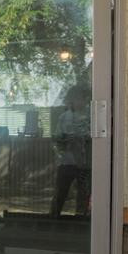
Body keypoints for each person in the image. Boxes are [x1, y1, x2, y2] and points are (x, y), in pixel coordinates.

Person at [51, 83, 92, 217]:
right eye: (74, 99)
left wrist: (85, 139)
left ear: (86, 99)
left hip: (85, 163)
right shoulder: (64, 117)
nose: (77, 102)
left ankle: (80, 220)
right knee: (60, 192)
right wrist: (63, 141)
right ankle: (53, 219)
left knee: (83, 192)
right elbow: (57, 139)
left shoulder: (93, 115)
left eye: (80, 98)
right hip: (67, 162)